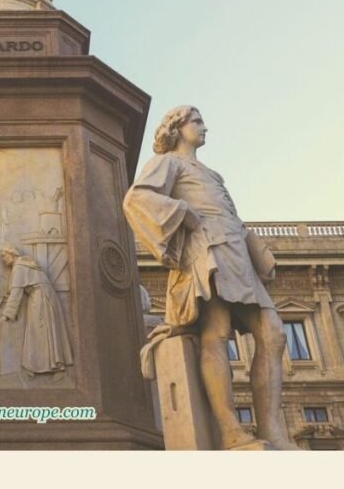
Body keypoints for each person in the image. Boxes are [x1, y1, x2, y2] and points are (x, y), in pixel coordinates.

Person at [122, 106, 296, 450]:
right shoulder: (169, 162)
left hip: (236, 252)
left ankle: (273, 431)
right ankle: (230, 429)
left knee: (273, 334)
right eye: (197, 122)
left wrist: (257, 253)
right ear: (177, 127)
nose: (204, 128)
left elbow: (233, 216)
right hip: (207, 252)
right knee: (215, 332)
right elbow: (136, 197)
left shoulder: (213, 174)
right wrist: (182, 211)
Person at [0, 245, 73, 374]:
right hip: (45, 296)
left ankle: (44, 366)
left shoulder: (20, 266)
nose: (3, 260)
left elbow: (16, 293)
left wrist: (6, 315)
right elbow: (21, 287)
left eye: (4, 256)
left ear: (12, 255)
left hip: (41, 299)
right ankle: (45, 364)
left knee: (38, 330)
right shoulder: (25, 264)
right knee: (41, 331)